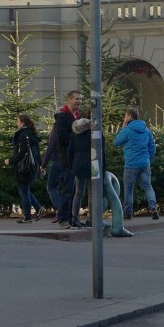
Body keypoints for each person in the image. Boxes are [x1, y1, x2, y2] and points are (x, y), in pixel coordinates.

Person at [114, 107, 159, 220]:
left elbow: (116, 142)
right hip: (145, 163)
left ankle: (128, 212)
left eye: (125, 116)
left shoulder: (127, 130)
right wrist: (148, 159)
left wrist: (123, 128)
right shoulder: (146, 130)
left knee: (129, 189)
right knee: (148, 187)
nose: (124, 118)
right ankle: (153, 207)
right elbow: (152, 147)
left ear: (129, 117)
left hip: (131, 164)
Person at [51, 90, 83, 229]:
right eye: (77, 99)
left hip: (76, 158)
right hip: (67, 158)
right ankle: (63, 219)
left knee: (74, 189)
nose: (79, 101)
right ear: (69, 100)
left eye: (81, 99)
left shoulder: (77, 116)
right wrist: (77, 137)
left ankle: (71, 219)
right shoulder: (63, 117)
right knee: (68, 189)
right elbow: (61, 138)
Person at [5, 114, 43, 223]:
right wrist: (40, 166)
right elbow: (37, 153)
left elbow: (21, 153)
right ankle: (38, 208)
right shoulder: (32, 134)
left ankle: (28, 217)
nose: (17, 124)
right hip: (32, 166)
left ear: (22, 123)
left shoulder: (23, 135)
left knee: (24, 191)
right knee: (23, 190)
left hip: (24, 167)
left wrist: (10, 161)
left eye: (18, 121)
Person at [68, 114, 93, 228]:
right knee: (92, 193)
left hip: (78, 164)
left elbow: (70, 151)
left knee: (78, 192)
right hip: (91, 164)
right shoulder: (92, 134)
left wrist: (71, 165)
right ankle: (92, 218)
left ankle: (75, 218)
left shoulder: (75, 134)